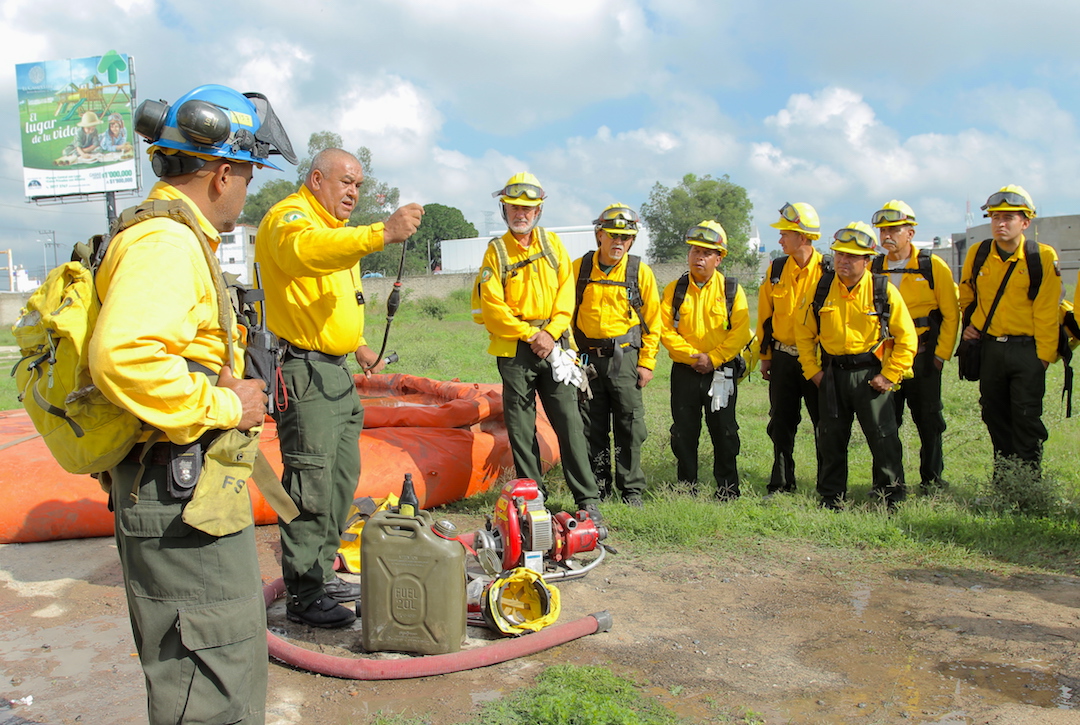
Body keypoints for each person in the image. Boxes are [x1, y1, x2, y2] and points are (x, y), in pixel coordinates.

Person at [89, 84, 295, 724]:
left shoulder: (171, 235)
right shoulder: (167, 243)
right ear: (222, 173)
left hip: (187, 492)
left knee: (220, 664)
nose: (247, 190)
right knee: (209, 682)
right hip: (177, 498)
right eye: (248, 175)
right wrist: (227, 407)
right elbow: (123, 356)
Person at [256, 148, 424, 628]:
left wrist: (360, 345)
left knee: (339, 481)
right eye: (345, 182)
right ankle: (304, 594)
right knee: (310, 485)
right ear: (316, 179)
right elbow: (304, 254)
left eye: (358, 186)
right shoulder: (289, 219)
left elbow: (328, 298)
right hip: (305, 373)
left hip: (336, 372)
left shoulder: (332, 229)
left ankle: (322, 573)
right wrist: (381, 234)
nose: (353, 193)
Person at [475, 172, 601, 519]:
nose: (521, 214)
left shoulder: (552, 244)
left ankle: (587, 499)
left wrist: (552, 332)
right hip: (515, 349)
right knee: (520, 426)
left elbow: (566, 293)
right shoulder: (496, 252)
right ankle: (533, 499)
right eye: (514, 207)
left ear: (538, 211)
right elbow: (492, 306)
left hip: (555, 345)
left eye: (527, 208)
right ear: (504, 210)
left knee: (569, 421)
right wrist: (530, 334)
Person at [794, 221, 917, 509]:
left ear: (867, 260)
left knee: (883, 437)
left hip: (871, 375)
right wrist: (813, 372)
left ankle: (890, 496)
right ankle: (831, 497)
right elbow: (804, 333)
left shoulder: (883, 290)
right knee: (830, 438)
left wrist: (889, 375)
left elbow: (907, 338)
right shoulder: (821, 289)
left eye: (851, 256)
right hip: (832, 375)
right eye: (840, 254)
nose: (843, 261)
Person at [958, 185, 1061, 479]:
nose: (1000, 224)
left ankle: (1029, 484)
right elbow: (967, 294)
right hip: (990, 348)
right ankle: (1003, 482)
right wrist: (971, 326)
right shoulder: (978, 253)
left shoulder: (1041, 256)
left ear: (1025, 222)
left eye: (1008, 218)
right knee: (994, 415)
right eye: (995, 217)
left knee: (1027, 419)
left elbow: (1046, 311)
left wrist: (1043, 359)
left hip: (1027, 349)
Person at [572, 204, 661, 507]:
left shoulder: (639, 272)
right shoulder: (579, 269)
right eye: (613, 235)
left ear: (632, 240)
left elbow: (653, 322)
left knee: (629, 424)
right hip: (587, 362)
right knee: (591, 425)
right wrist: (570, 356)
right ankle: (599, 487)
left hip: (625, 359)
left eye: (625, 237)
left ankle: (631, 489)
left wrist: (646, 364)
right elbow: (565, 313)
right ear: (599, 235)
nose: (619, 242)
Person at [871, 201, 960, 493]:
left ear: (910, 233)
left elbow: (951, 314)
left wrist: (940, 356)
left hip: (924, 358)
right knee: (884, 423)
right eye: (883, 230)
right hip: (887, 359)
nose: (887, 235)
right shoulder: (874, 267)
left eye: (894, 229)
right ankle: (888, 482)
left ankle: (932, 479)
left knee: (929, 421)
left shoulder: (932, 266)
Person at [661, 221, 751, 500]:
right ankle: (686, 487)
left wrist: (713, 359)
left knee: (725, 431)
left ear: (719, 258)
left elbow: (740, 332)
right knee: (684, 431)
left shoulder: (731, 290)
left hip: (721, 372)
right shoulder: (675, 290)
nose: (698, 258)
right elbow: (665, 329)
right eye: (695, 251)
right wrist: (692, 357)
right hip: (685, 371)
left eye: (706, 253)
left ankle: (727, 489)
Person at [756, 202, 828, 496]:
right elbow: (765, 316)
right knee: (781, 422)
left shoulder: (828, 271)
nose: (780, 239)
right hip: (783, 358)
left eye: (785, 233)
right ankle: (782, 482)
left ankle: (828, 483)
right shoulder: (776, 269)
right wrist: (765, 357)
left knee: (825, 423)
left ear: (803, 236)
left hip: (819, 361)